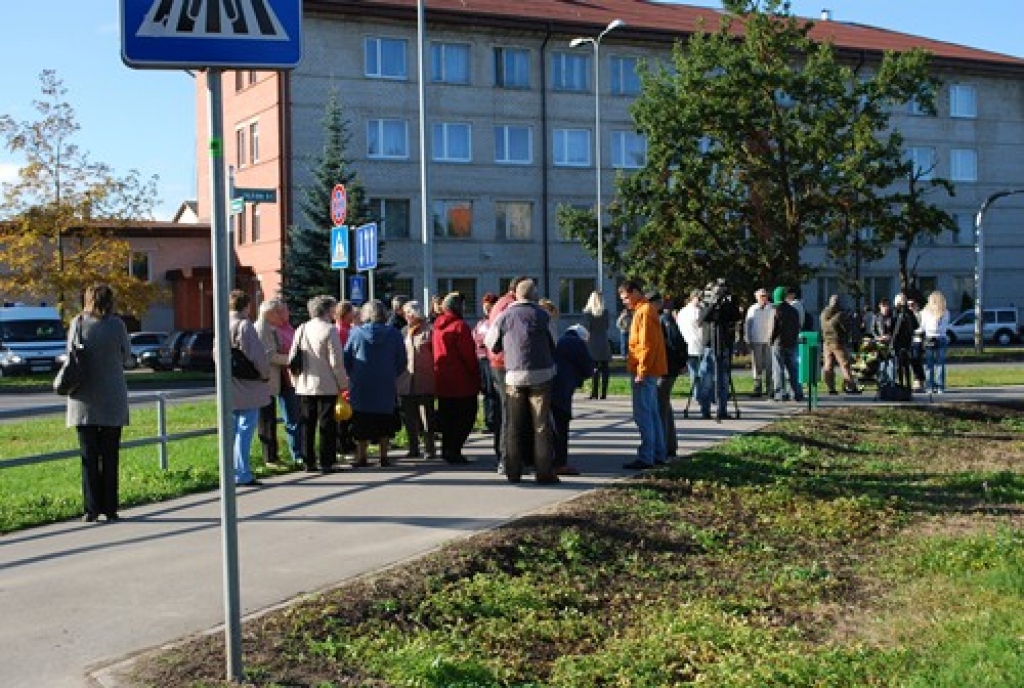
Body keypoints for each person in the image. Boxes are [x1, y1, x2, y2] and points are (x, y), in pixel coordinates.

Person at [67, 284, 132, 522]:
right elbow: (127, 357)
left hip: (84, 399)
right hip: (113, 397)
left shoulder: (78, 323)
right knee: (110, 455)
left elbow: (71, 355)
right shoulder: (117, 325)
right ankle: (111, 507)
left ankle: (91, 508)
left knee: (89, 456)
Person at [487, 279, 559, 483]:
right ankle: (544, 471)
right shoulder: (543, 315)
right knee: (541, 424)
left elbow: (491, 344)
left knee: (513, 424)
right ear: (534, 295)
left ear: (516, 294)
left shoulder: (505, 315)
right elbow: (555, 343)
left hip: (514, 375)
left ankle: (513, 471)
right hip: (542, 375)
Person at [344, 299, 406, 467]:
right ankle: (384, 456)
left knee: (361, 420)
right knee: (384, 418)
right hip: (385, 382)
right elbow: (402, 360)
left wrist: (353, 375)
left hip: (361, 382)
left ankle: (362, 456)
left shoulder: (356, 333)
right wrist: (392, 373)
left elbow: (347, 358)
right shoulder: (394, 334)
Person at [291, 294, 348, 473]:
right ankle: (326, 461)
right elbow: (336, 361)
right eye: (333, 308)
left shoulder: (301, 328)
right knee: (327, 424)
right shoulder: (329, 330)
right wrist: (343, 383)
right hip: (326, 384)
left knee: (307, 423)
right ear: (327, 310)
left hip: (304, 384)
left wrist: (295, 381)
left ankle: (308, 461)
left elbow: (293, 357)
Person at [618, 280, 667, 470]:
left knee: (643, 414)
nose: (625, 302)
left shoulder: (644, 311)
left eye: (626, 297)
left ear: (636, 293)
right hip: (648, 369)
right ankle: (658, 453)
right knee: (652, 412)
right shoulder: (645, 310)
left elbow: (645, 345)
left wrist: (641, 370)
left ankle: (647, 456)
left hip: (644, 370)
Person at [227, 289, 272, 486]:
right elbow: (257, 355)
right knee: (245, 430)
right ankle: (242, 472)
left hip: (229, 382)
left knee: (232, 430)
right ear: (247, 305)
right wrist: (265, 374)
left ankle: (230, 470)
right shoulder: (244, 325)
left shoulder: (221, 323)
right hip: (248, 385)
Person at [432, 292, 480, 464]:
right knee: (465, 416)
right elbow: (468, 355)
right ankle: (455, 449)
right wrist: (476, 373)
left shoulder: (437, 326)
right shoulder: (460, 326)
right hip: (462, 381)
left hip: (443, 380)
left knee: (448, 417)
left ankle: (447, 449)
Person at [487, 276, 527, 471]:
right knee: (510, 413)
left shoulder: (502, 304)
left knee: (504, 411)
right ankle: (507, 457)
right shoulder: (511, 307)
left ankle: (504, 454)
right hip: (507, 364)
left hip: (498, 363)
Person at [551, 324, 594, 476]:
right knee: (561, 427)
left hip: (549, 386)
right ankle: (560, 463)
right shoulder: (576, 343)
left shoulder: (562, 340)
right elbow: (588, 368)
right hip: (562, 389)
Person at [396, 301, 436, 459]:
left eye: (408, 313)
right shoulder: (404, 331)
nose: (406, 316)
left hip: (424, 379)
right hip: (406, 380)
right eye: (405, 313)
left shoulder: (430, 330)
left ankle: (429, 448)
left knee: (427, 416)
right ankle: (413, 447)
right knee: (409, 417)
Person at [696, 281, 741, 420]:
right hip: (710, 346)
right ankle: (705, 410)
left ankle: (722, 410)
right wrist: (713, 302)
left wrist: (728, 301)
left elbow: (736, 317)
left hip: (724, 345)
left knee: (723, 379)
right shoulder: (705, 303)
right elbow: (702, 319)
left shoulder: (727, 303)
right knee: (707, 380)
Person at [255, 299, 291, 466]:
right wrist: (291, 359)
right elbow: (269, 355)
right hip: (265, 381)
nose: (280, 315)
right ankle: (269, 457)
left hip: (271, 380)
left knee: (269, 418)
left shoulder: (269, 328)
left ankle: (273, 455)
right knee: (266, 419)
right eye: (277, 312)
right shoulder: (262, 329)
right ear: (269, 313)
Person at [272, 302, 304, 465]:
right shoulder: (275, 331)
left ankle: (302, 450)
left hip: (297, 378)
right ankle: (296, 453)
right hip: (285, 380)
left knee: (300, 416)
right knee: (292, 418)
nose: (287, 313)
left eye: (287, 310)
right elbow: (276, 354)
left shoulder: (290, 328)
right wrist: (292, 359)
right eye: (283, 311)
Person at [655, 294, 685, 456]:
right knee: (665, 405)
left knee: (661, 405)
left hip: (666, 368)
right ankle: (670, 444)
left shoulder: (663, 319)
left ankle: (665, 445)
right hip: (668, 367)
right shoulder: (663, 318)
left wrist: (679, 362)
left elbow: (676, 341)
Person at [820, 295, 861, 395]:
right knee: (845, 364)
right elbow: (845, 328)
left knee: (828, 366)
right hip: (837, 342)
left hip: (826, 342)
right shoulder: (839, 315)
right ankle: (850, 386)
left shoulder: (823, 313)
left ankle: (831, 387)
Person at [770, 286, 804, 402]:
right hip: (792, 342)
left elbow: (774, 329)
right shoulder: (793, 310)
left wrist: (771, 340)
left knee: (779, 369)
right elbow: (798, 326)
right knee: (793, 369)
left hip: (779, 343)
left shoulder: (776, 311)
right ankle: (796, 393)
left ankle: (780, 393)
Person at [471, 292, 499, 433]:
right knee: (486, 392)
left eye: (489, 306)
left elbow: (489, 340)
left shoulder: (495, 321)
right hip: (480, 359)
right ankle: (488, 420)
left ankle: (494, 420)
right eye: (485, 307)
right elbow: (475, 337)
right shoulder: (481, 322)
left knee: (492, 391)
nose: (486, 309)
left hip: (490, 360)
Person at [334, 300, 358, 456]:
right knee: (345, 410)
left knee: (341, 409)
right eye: (352, 312)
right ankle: (345, 442)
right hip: (347, 373)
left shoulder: (340, 329)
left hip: (341, 374)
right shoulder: (344, 331)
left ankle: (343, 442)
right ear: (346, 313)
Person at [580, 290, 612, 400]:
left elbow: (587, 328)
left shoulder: (587, 313)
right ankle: (603, 393)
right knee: (605, 369)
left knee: (594, 368)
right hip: (603, 342)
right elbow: (607, 326)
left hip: (592, 342)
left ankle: (594, 392)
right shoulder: (606, 312)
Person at [744, 288, 774, 398]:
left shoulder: (772, 308)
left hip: (769, 341)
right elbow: (747, 324)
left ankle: (770, 388)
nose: (763, 298)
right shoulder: (752, 309)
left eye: (765, 296)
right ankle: (757, 387)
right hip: (756, 340)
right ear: (756, 297)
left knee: (769, 366)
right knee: (757, 366)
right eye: (761, 296)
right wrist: (747, 339)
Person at [676, 289, 704, 407]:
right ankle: (699, 394)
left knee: (694, 372)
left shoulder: (682, 311)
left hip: (688, 345)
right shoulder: (697, 311)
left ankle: (696, 394)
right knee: (700, 372)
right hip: (697, 344)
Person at [919, 290, 950, 393]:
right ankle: (940, 387)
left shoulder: (925, 312)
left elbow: (922, 327)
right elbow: (944, 327)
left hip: (930, 337)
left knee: (930, 364)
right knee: (940, 364)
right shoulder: (946, 312)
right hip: (941, 337)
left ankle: (930, 387)